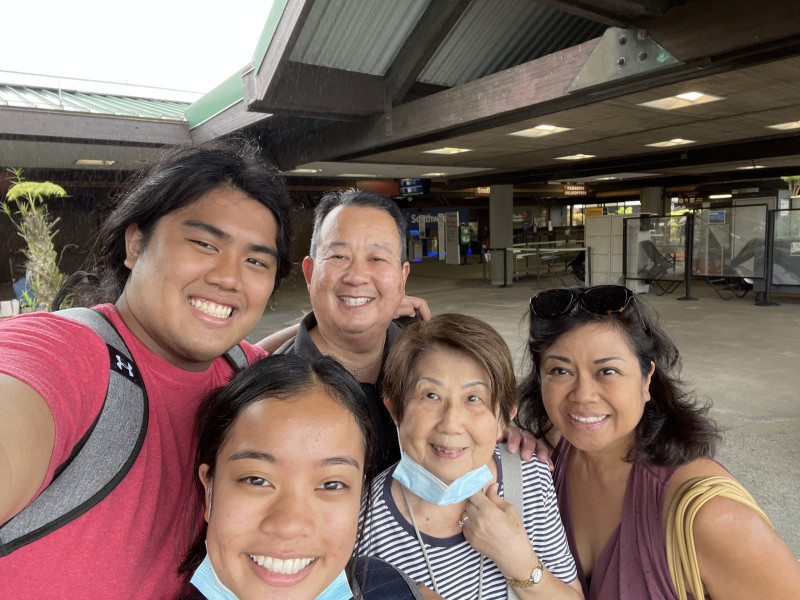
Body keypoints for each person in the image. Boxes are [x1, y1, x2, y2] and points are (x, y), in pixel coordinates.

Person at [0, 139, 292, 600]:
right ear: (135, 243)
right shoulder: (64, 354)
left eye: (256, 260)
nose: (229, 277)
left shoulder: (243, 372)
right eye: (204, 243)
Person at [518, 284, 800, 599]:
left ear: (646, 378)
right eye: (560, 370)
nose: (583, 395)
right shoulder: (543, 460)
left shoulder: (711, 518)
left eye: (607, 371)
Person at [262, 189, 539, 474]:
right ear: (309, 274)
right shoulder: (267, 390)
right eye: (338, 256)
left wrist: (503, 438)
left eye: (377, 259)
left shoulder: (431, 354)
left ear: (402, 276)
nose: (356, 276)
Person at [179, 353, 443, 600]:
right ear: (210, 488)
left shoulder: (392, 589)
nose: (289, 525)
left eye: (331, 484)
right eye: (256, 480)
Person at [362, 314, 583, 600]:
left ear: (504, 417)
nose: (451, 424)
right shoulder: (363, 519)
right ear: (395, 410)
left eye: (474, 398)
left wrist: (518, 560)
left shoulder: (529, 478)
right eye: (431, 395)